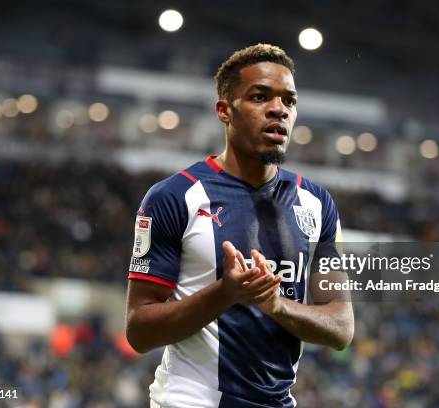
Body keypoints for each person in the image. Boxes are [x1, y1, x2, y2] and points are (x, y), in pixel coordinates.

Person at [125, 44, 354, 408]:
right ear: (224, 111)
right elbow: (139, 331)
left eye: (289, 101)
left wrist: (277, 305)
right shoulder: (173, 197)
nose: (279, 109)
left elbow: (341, 327)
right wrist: (226, 293)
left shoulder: (317, 204)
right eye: (260, 97)